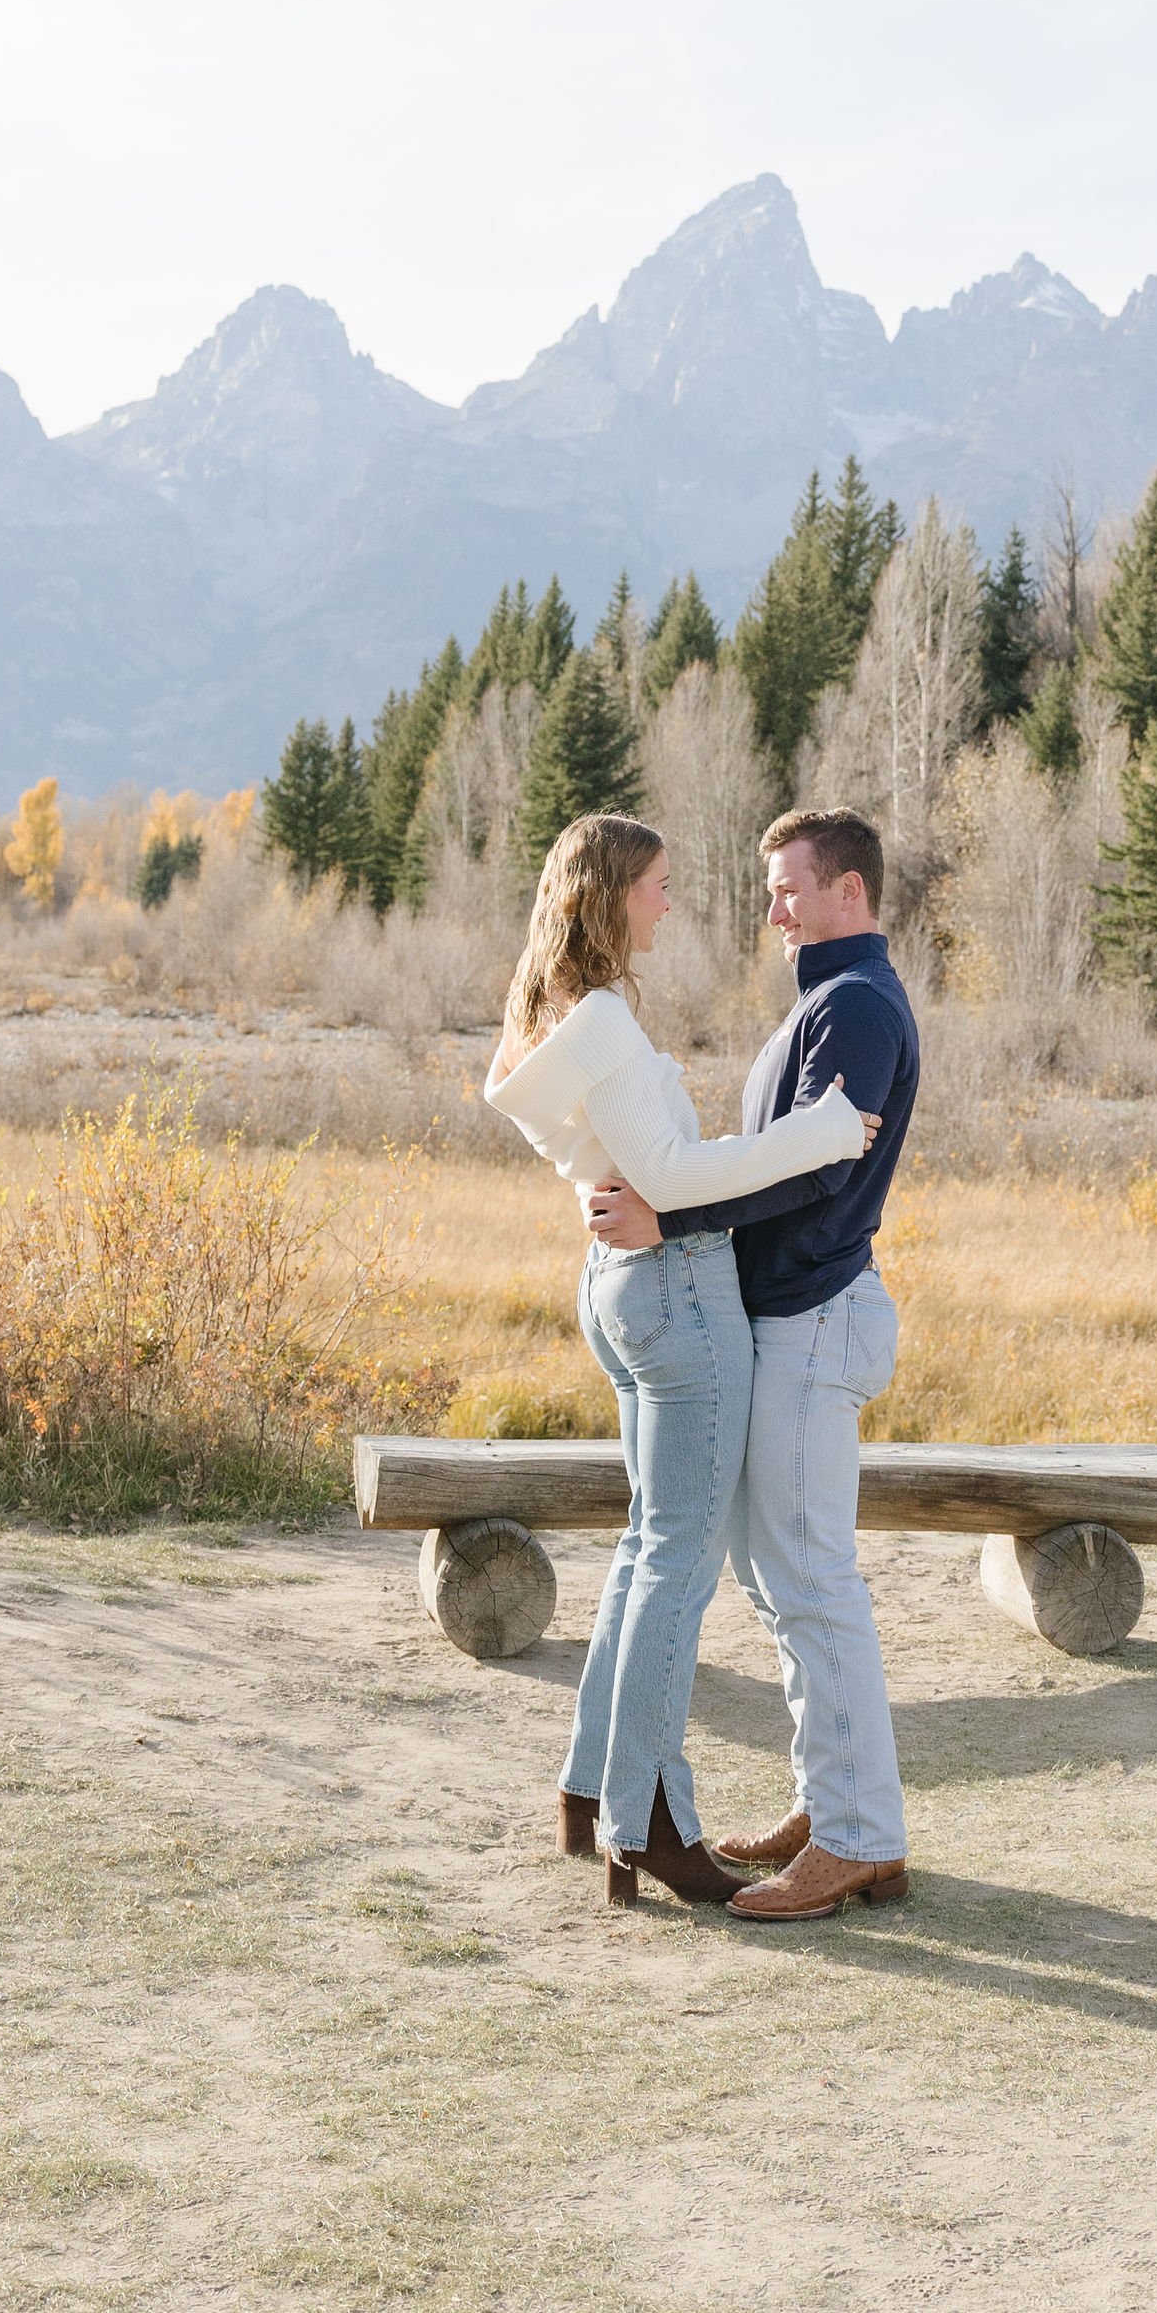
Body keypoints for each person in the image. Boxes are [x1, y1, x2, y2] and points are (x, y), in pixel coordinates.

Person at [483, 811, 880, 1909]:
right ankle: (649, 1815)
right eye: (656, 884)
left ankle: (590, 1786)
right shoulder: (603, 1018)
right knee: (675, 1565)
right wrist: (819, 1135)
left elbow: (602, 1151)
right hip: (679, 1295)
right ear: (610, 895)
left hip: (618, 1293)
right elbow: (665, 1169)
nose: (669, 902)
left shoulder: (557, 1017)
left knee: (641, 1551)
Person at [586, 806, 920, 1922]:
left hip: (813, 1319)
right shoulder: (824, 1005)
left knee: (811, 1579)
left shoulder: (858, 1009)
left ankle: (859, 1839)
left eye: (788, 887)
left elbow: (816, 1176)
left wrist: (669, 1217)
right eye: (771, 887)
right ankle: (831, 1807)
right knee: (784, 1585)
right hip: (791, 1316)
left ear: (849, 894)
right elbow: (779, 1158)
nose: (770, 906)